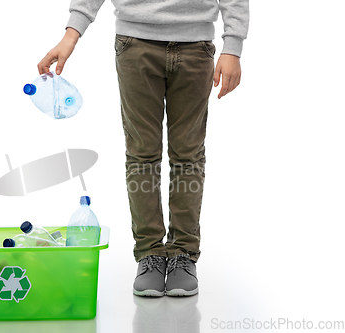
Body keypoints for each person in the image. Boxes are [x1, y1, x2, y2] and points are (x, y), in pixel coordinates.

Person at [38, 0, 249, 297]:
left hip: (196, 45)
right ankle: (149, 253)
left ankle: (183, 255)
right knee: (141, 154)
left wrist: (233, 45)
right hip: (135, 43)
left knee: (188, 154)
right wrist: (72, 33)